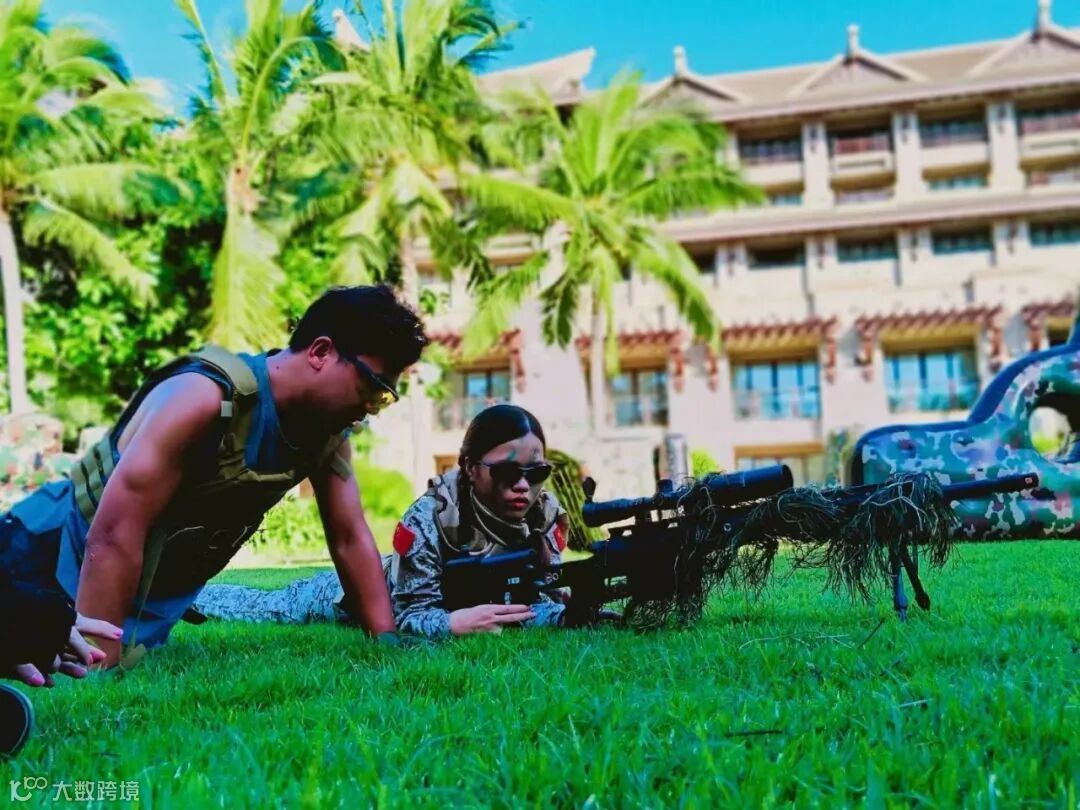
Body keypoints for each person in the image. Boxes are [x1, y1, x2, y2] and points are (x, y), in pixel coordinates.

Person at [0, 284, 428, 680]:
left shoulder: (326, 436)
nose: (370, 408)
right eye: (371, 387)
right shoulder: (203, 397)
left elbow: (349, 535)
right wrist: (99, 665)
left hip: (125, 591)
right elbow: (113, 534)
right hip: (33, 559)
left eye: (383, 399)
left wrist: (385, 639)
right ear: (321, 352)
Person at [195, 404, 576, 637]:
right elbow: (410, 614)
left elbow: (542, 597)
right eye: (507, 472)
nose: (524, 486)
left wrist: (573, 611)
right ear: (470, 468)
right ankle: (185, 597)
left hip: (454, 598)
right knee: (267, 607)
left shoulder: (544, 515)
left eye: (537, 473)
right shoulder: (431, 517)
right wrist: (451, 624)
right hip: (360, 594)